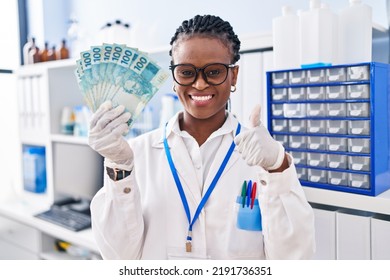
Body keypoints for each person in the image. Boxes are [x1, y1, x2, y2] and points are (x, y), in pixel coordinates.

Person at [88, 14, 315, 260]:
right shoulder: (137, 154)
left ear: (234, 76)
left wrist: (278, 167)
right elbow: (118, 257)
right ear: (173, 79)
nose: (199, 84)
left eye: (214, 72)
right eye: (186, 72)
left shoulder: (262, 155)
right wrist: (119, 169)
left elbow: (294, 259)